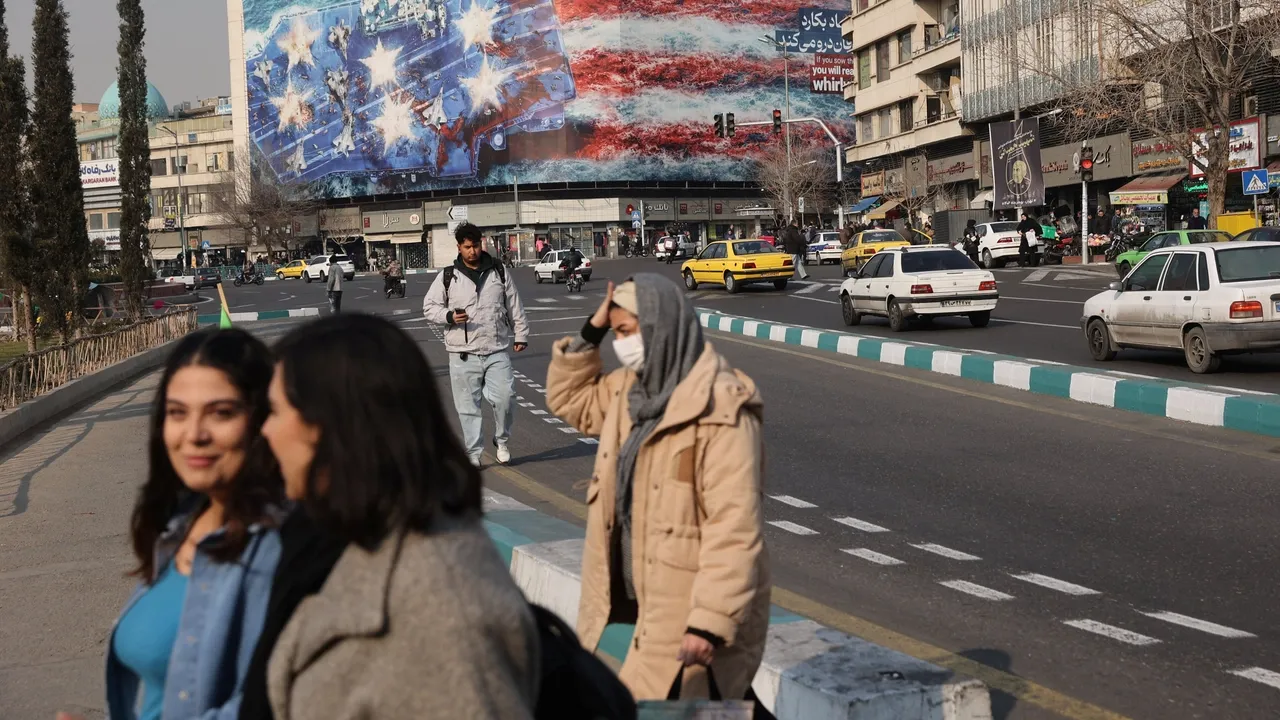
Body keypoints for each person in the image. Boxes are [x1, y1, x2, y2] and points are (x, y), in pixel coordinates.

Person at [261, 314, 540, 720]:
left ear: (333, 427)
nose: (262, 432)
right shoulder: (350, 543)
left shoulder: (442, 617)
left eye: (272, 412)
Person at [546, 276, 770, 702]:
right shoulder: (632, 390)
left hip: (689, 615)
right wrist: (592, 329)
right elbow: (570, 401)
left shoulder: (722, 409)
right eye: (616, 335)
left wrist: (708, 621)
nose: (621, 345)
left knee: (701, 702)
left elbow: (734, 528)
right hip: (640, 609)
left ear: (660, 327)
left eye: (627, 332)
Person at [102, 328, 284, 720]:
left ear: (262, 421)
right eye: (177, 413)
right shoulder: (179, 525)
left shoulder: (279, 548)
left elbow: (272, 703)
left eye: (221, 413)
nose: (194, 435)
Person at [422, 221, 530, 466]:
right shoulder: (448, 276)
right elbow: (429, 307)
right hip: (462, 354)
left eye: (476, 245)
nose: (473, 251)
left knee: (506, 397)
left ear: (482, 244)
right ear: (459, 247)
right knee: (468, 407)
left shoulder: (499, 271)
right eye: (467, 247)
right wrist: (449, 316)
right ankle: (473, 453)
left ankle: (501, 440)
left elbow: (514, 305)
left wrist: (521, 334)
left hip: (496, 349)